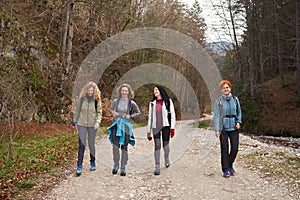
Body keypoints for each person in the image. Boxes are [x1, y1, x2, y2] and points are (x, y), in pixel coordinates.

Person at [107, 83, 141, 176]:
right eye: (123, 90)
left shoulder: (131, 103)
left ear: (129, 92)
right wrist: (114, 113)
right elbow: (111, 109)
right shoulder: (116, 101)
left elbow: (138, 112)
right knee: (115, 146)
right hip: (116, 124)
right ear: (120, 91)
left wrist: (130, 116)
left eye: (126, 91)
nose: (124, 92)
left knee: (124, 147)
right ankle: (116, 164)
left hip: (126, 125)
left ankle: (123, 166)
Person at [72, 82, 102, 176]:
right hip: (82, 124)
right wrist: (75, 121)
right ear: (86, 90)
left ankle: (92, 162)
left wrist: (97, 122)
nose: (90, 92)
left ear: (94, 91)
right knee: (82, 144)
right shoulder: (82, 100)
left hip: (93, 125)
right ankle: (79, 166)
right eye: (88, 90)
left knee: (91, 144)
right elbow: (77, 111)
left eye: (92, 90)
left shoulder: (97, 100)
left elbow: (99, 113)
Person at [214, 80, 242, 178]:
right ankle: (225, 169)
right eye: (223, 88)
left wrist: (238, 121)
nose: (226, 89)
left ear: (230, 88)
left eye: (227, 87)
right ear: (221, 90)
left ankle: (230, 164)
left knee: (235, 148)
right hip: (223, 128)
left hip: (234, 127)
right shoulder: (219, 101)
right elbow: (217, 116)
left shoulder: (235, 99)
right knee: (224, 149)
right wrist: (217, 130)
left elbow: (239, 112)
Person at [147, 85, 176, 175]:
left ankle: (166, 157)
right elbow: (150, 118)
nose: (155, 91)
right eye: (154, 90)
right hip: (156, 127)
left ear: (160, 91)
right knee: (157, 145)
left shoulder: (168, 101)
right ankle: (157, 166)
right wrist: (148, 131)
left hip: (166, 126)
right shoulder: (152, 103)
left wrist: (172, 128)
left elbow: (173, 115)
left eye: (156, 89)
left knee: (166, 146)